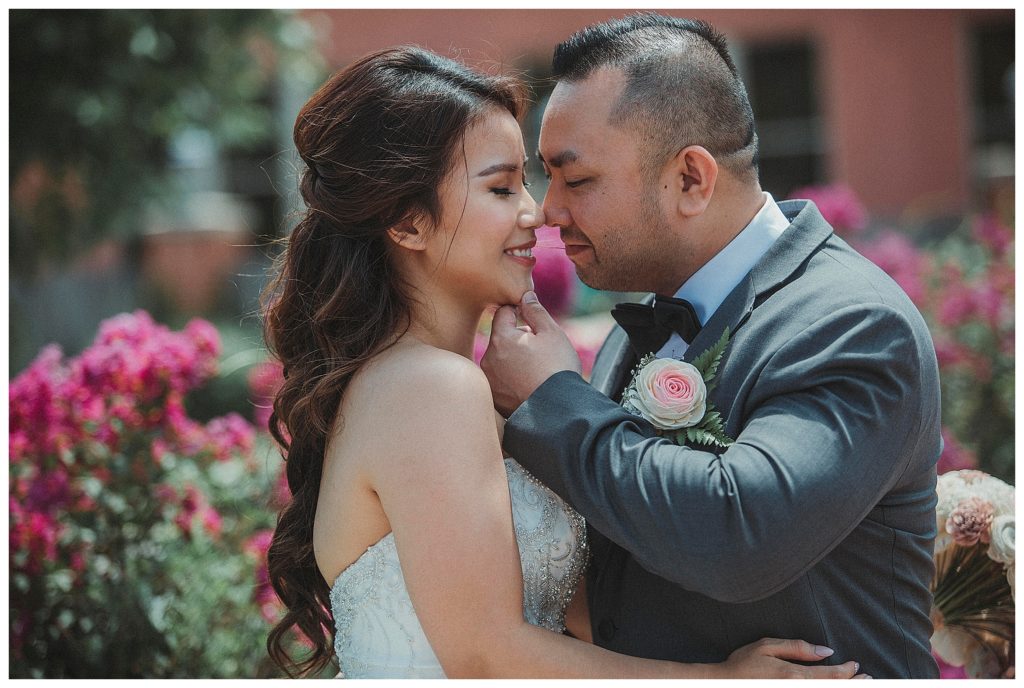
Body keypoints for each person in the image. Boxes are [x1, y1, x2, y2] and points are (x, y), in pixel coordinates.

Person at [260, 45, 866, 679]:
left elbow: (578, 625)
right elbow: (483, 655)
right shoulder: (430, 386)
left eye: (528, 180)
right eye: (500, 187)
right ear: (409, 223)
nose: (537, 212)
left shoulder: (477, 388)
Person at [482, 13, 942, 680]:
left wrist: (551, 400)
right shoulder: (639, 319)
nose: (548, 211)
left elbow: (739, 535)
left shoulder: (853, 323)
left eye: (576, 180)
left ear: (692, 179)